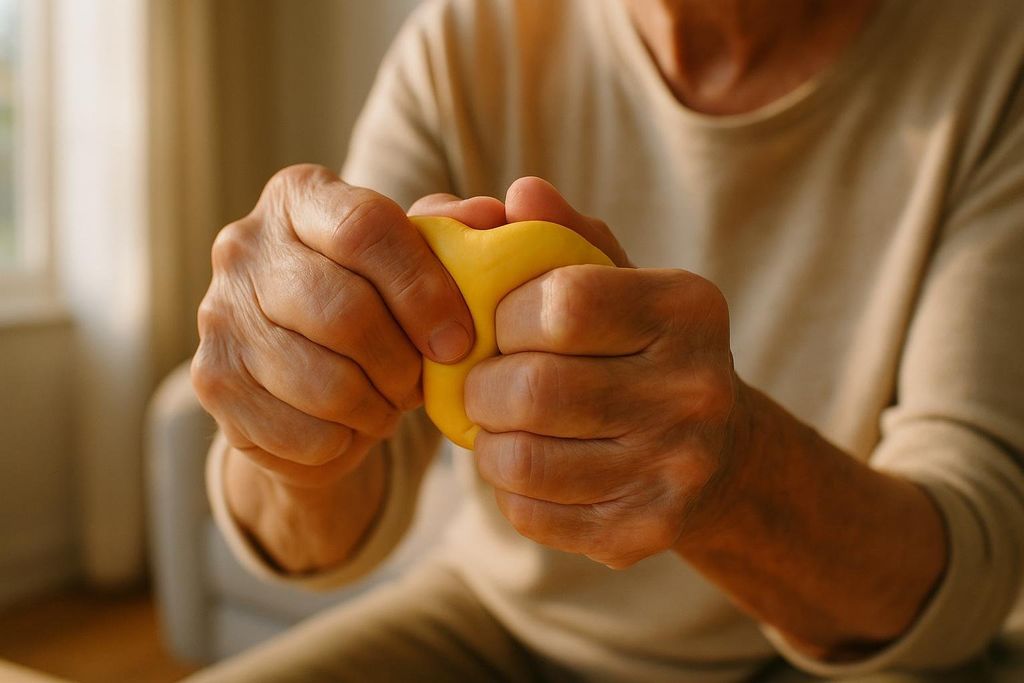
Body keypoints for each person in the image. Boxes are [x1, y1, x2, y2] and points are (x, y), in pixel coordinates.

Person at [187, 0, 1024, 680]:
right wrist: (287, 417)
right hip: (494, 622)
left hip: (827, 659)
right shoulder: (467, 41)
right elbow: (320, 530)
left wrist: (738, 474)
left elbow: (970, 571)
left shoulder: (992, 58)